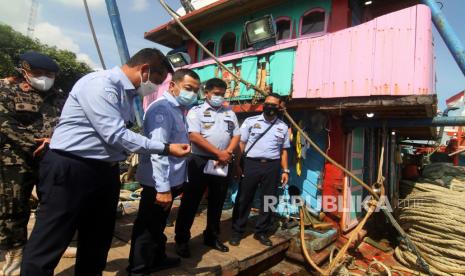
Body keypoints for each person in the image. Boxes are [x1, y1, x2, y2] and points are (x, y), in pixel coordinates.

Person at [20, 48, 191, 276]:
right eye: (156, 81)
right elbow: (116, 135)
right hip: (72, 169)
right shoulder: (101, 84)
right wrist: (166, 148)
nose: (154, 88)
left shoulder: (128, 95)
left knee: (97, 241)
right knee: (51, 239)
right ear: (145, 70)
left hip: (105, 171)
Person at [127, 69, 200, 275]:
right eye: (188, 88)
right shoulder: (162, 109)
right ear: (172, 86)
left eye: (195, 90)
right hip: (158, 183)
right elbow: (157, 150)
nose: (192, 94)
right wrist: (163, 188)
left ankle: (157, 258)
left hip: (171, 180)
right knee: (147, 227)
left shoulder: (178, 110)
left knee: (158, 225)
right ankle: (138, 268)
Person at [0, 51, 65, 276]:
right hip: (15, 160)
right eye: (39, 73)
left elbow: (68, 124)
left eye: (49, 74)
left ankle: (39, 250)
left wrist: (54, 141)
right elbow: (5, 123)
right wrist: (33, 143)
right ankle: (13, 254)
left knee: (51, 207)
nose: (45, 78)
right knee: (13, 208)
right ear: (25, 72)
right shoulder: (7, 91)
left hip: (50, 159)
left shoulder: (58, 97)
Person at [175, 78, 240, 258]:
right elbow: (194, 136)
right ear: (207, 93)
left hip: (223, 162)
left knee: (217, 201)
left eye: (222, 94)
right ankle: (182, 240)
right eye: (216, 93)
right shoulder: (196, 112)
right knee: (190, 201)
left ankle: (211, 236)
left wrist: (226, 153)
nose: (219, 97)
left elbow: (236, 135)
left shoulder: (230, 112)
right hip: (199, 162)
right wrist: (219, 154)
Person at [230, 93, 290, 247]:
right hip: (251, 164)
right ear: (264, 104)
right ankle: (237, 231)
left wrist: (285, 170)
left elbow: (284, 151)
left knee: (269, 200)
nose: (270, 107)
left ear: (279, 107)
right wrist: (237, 164)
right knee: (244, 198)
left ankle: (261, 232)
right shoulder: (251, 121)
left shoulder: (283, 127)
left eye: (274, 105)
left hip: (272, 166)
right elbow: (241, 145)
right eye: (268, 103)